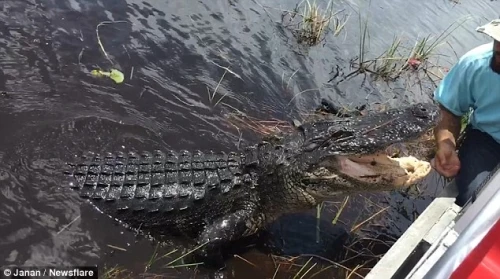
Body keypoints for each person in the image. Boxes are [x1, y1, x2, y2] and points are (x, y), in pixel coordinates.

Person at [432, 19, 500, 207]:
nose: (498, 59)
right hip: (488, 140)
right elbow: (449, 111)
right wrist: (446, 145)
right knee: (477, 200)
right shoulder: (475, 63)